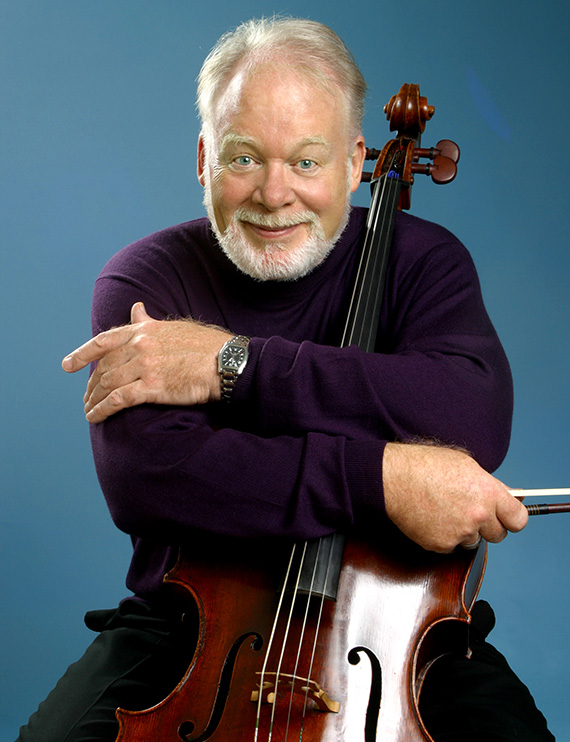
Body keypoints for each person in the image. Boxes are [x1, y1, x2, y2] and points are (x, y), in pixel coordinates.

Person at [17, 16, 553, 742]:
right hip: (186, 629)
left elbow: (471, 416)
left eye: (306, 161)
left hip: (403, 629)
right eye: (245, 158)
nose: (274, 195)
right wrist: (384, 478)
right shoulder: (145, 279)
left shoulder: (427, 263)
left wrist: (228, 364)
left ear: (355, 160)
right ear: (204, 158)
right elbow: (155, 475)